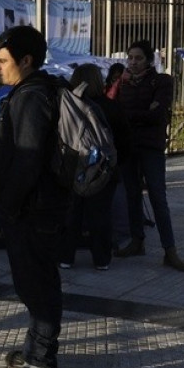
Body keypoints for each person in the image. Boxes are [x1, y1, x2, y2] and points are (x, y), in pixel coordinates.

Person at [0, 25, 68, 368]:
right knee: (34, 285)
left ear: (26, 60)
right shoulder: (32, 91)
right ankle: (36, 352)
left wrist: (8, 205)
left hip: (34, 210)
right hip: (34, 207)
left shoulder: (33, 97)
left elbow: (28, 160)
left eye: (3, 61)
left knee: (39, 287)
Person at [113, 40, 184, 271]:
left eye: (138, 58)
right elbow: (117, 112)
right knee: (132, 195)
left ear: (148, 60)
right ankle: (137, 241)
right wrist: (143, 113)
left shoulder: (162, 81)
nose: (133, 63)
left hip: (150, 148)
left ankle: (170, 250)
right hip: (128, 147)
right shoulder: (122, 83)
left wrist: (133, 115)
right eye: (130, 58)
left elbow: (157, 115)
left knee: (158, 197)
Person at [58, 64, 130, 271]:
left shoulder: (67, 107)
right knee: (100, 215)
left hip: (73, 167)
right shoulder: (111, 107)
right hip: (102, 170)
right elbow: (125, 142)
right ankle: (101, 259)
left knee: (72, 214)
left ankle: (66, 257)